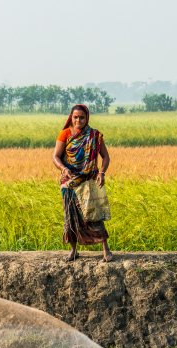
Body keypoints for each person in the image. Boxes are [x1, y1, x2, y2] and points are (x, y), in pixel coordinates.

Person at [52, 104, 112, 262]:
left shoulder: (95, 136)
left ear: (87, 118)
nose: (78, 120)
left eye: (82, 117)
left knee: (93, 214)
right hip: (69, 181)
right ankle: (73, 249)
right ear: (71, 118)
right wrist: (63, 169)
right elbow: (56, 157)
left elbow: (106, 157)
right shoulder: (65, 134)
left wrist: (102, 172)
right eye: (75, 117)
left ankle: (105, 248)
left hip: (88, 180)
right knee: (71, 216)